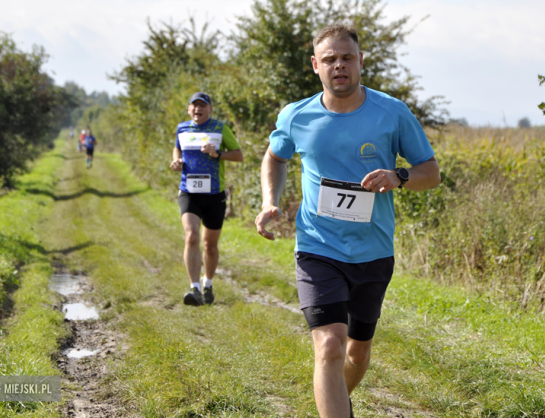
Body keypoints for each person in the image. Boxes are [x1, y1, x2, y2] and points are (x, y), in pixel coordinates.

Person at [254, 24, 440, 417]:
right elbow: (275, 156)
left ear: (360, 61)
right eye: (330, 59)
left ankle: (333, 400)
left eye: (347, 57)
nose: (339, 65)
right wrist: (270, 201)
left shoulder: (392, 112)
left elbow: (431, 173)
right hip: (317, 248)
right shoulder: (296, 116)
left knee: (357, 351)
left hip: (373, 253)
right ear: (315, 66)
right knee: (330, 346)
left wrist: (399, 176)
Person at [169, 92, 243, 306]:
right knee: (191, 236)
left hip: (214, 195)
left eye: (202, 106)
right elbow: (177, 147)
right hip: (189, 192)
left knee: (209, 245)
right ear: (188, 109)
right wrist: (176, 160)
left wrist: (218, 154)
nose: (198, 109)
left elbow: (238, 155)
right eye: (194, 106)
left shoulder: (220, 129)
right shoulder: (182, 128)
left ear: (210, 109)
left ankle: (208, 284)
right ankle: (194, 288)